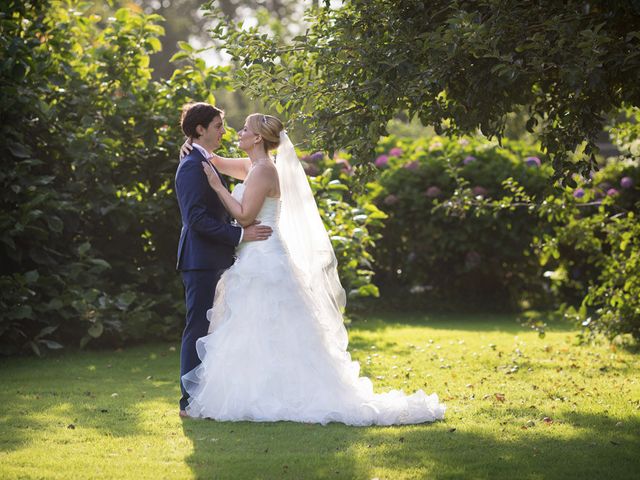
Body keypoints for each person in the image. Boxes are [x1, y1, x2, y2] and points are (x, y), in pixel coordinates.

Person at [180, 113, 445, 425]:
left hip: (265, 257)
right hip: (254, 256)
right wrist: (190, 144)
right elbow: (213, 158)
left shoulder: (264, 170)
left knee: (272, 324)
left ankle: (283, 394)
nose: (238, 131)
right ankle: (260, 389)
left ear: (257, 138)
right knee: (254, 328)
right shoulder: (251, 166)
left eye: (245, 129)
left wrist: (217, 187)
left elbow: (245, 215)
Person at [175, 103, 273, 418]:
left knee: (216, 329)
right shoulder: (192, 166)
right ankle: (189, 401)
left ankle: (210, 395)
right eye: (218, 125)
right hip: (201, 260)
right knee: (198, 328)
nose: (225, 130)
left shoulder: (208, 162)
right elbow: (196, 220)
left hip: (219, 257)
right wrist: (239, 236)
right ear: (201, 129)